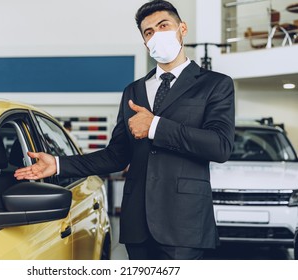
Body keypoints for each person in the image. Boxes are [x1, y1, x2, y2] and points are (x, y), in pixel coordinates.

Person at [14, 0, 235, 260]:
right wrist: (59, 164)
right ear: (145, 43)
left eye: (163, 26)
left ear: (182, 29)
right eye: (149, 32)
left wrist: (155, 126)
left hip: (184, 224)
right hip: (137, 224)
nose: (156, 35)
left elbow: (220, 146)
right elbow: (117, 155)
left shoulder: (215, 85)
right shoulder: (134, 91)